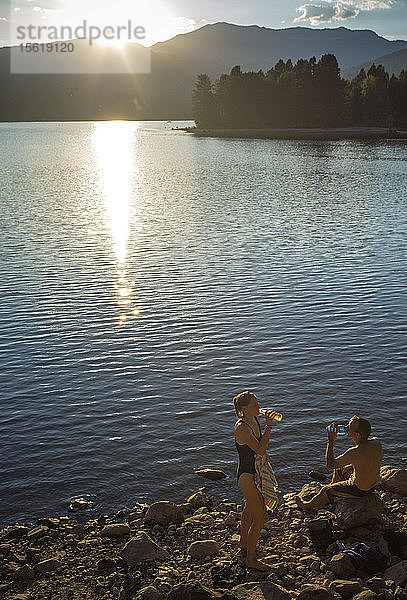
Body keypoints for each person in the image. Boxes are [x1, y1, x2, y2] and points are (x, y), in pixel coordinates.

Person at [296, 416, 382, 511]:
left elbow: (330, 465)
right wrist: (351, 466)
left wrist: (331, 440)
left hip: (361, 490)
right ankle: (333, 486)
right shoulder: (376, 442)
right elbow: (368, 459)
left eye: (349, 427)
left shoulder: (354, 452)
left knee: (326, 490)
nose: (346, 427)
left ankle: (306, 506)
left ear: (357, 435)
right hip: (373, 485)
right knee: (340, 469)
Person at [233, 390, 278, 572]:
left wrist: (265, 456)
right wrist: (269, 426)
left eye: (258, 404)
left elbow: (259, 450)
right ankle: (250, 559)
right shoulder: (242, 428)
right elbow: (259, 449)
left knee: (249, 508)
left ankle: (244, 543)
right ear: (244, 409)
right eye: (255, 405)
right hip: (246, 476)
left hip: (256, 471)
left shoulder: (255, 420)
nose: (259, 407)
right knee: (261, 517)